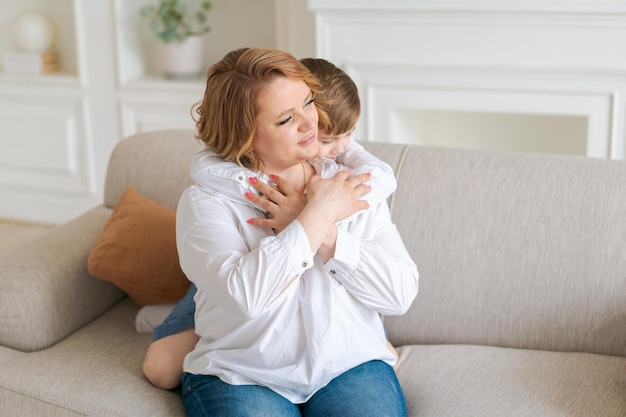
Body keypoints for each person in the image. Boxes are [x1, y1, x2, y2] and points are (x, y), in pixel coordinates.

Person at [161, 47, 418, 416]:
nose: (310, 123)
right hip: (243, 374)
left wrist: (324, 230)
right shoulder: (206, 203)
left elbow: (400, 294)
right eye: (286, 119)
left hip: (349, 365)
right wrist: (314, 218)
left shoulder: (350, 186)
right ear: (245, 134)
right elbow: (246, 296)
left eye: (308, 102)